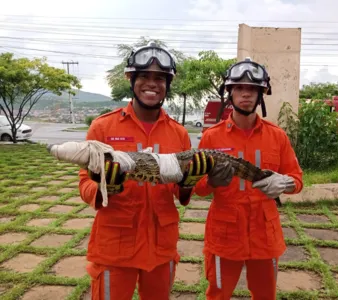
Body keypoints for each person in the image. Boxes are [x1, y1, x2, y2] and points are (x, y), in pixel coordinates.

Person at [78, 41, 215, 300]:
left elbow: (180, 192)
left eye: (160, 78)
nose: (152, 84)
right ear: (131, 80)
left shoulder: (179, 133)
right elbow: (85, 184)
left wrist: (189, 182)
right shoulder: (103, 128)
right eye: (144, 76)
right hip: (115, 247)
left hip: (161, 247)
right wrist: (106, 186)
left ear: (167, 85)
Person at [194, 57, 304, 299]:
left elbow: (297, 179)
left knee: (265, 295)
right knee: (217, 294)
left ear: (261, 94)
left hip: (265, 235)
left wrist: (284, 183)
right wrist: (211, 182)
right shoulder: (211, 137)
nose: (246, 94)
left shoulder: (277, 136)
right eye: (239, 88)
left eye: (252, 89)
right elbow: (197, 188)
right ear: (229, 93)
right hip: (225, 235)